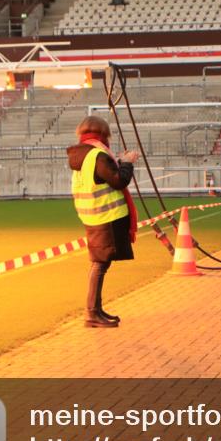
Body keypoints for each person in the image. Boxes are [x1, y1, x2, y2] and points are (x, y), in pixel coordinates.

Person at [67, 116, 140, 329]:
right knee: (100, 264)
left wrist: (118, 163)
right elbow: (118, 180)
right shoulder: (97, 155)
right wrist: (127, 163)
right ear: (103, 133)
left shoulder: (83, 155)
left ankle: (96, 309)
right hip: (106, 218)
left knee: (101, 264)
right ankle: (92, 312)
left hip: (93, 216)